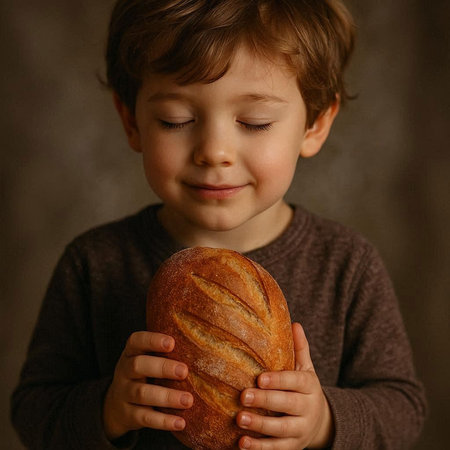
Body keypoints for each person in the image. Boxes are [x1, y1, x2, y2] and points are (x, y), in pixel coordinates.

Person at [11, 0, 427, 449]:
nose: (214, 151)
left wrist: (324, 421)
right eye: (177, 121)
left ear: (315, 123)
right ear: (131, 120)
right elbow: (34, 412)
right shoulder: (94, 264)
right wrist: (108, 408)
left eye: (254, 122)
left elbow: (404, 411)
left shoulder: (346, 265)